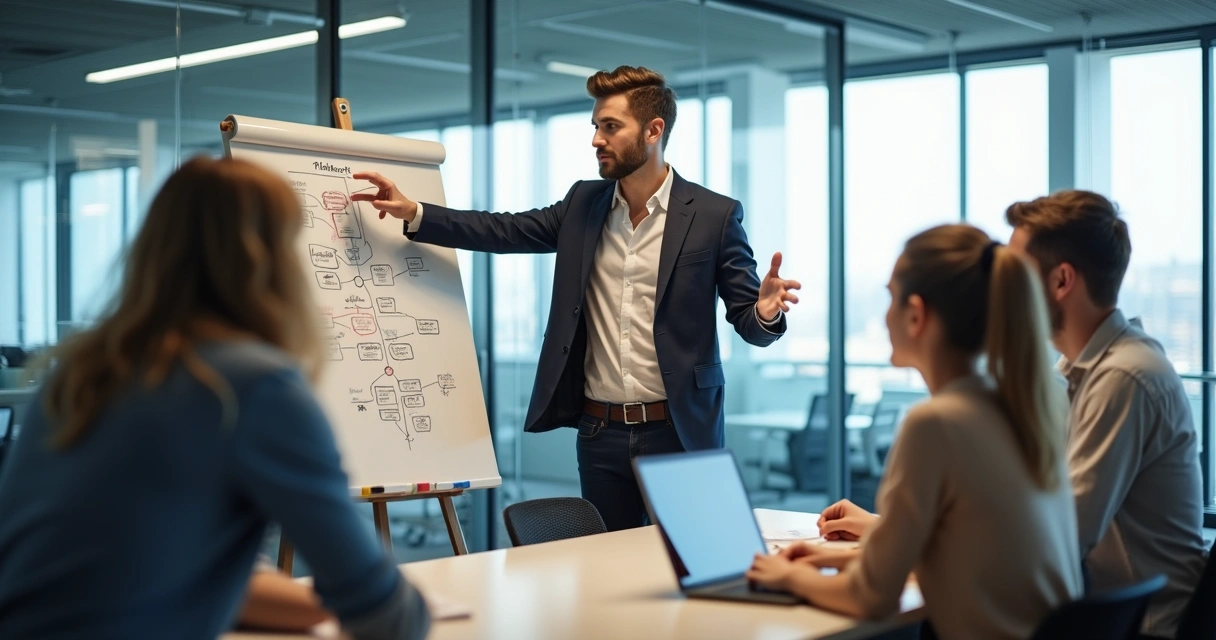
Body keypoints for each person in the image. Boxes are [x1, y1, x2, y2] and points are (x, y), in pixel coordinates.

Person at [351, 65, 800, 531]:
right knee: (610, 571)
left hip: (679, 430)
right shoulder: (583, 204)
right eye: (595, 127)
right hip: (599, 433)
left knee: (694, 560)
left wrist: (764, 313)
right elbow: (502, 229)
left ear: (653, 130)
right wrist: (416, 213)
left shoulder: (713, 214)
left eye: (610, 127)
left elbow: (749, 322)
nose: (596, 140)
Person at [0, 157, 430, 640]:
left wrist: (314, 599)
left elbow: (142, 569)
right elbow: (388, 615)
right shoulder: (252, 384)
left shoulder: (79, 372)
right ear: (268, 258)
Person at [747, 224, 1083, 640]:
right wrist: (824, 559)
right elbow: (966, 550)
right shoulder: (1020, 405)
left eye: (890, 297)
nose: (884, 315)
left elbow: (871, 597)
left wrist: (787, 577)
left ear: (916, 314)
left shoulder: (937, 424)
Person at [1006, 190, 1207, 639]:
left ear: (1061, 281)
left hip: (1142, 627)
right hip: (1104, 617)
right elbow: (1027, 508)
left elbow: (1061, 537)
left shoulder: (1125, 377)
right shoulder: (1080, 374)